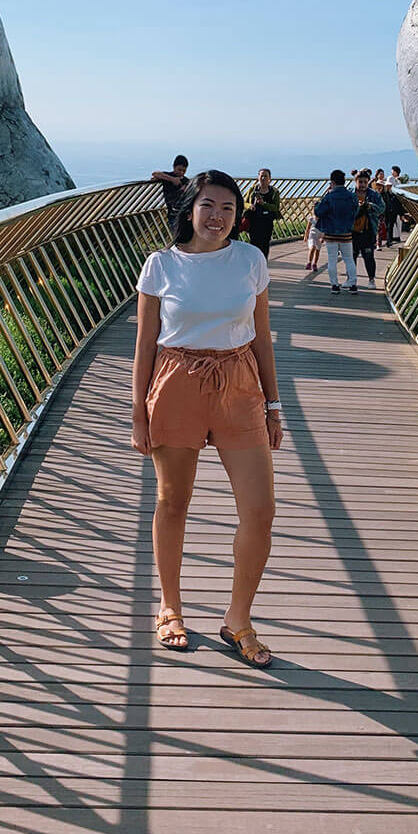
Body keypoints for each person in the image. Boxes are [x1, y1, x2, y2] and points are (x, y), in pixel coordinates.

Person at [132, 169, 282, 666]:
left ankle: (238, 618)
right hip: (176, 381)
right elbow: (145, 345)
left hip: (239, 384)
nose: (218, 217)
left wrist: (274, 404)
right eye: (208, 206)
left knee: (260, 511)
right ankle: (170, 605)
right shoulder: (161, 266)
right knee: (173, 500)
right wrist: (138, 412)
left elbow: (262, 336)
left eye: (228, 209)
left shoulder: (250, 260)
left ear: (238, 217)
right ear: (190, 209)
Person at [315, 169, 358, 293]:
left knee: (332, 259)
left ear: (332, 182)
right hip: (346, 233)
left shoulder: (329, 197)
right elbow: (356, 211)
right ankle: (353, 284)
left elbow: (318, 211)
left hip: (331, 233)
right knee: (349, 259)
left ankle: (334, 285)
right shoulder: (351, 196)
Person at [351, 169, 384, 289]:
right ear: (355, 181)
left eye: (365, 182)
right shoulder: (350, 194)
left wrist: (370, 206)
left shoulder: (374, 195)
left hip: (368, 230)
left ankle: (371, 279)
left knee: (368, 256)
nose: (363, 184)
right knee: (351, 256)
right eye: (360, 182)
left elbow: (382, 208)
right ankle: (352, 279)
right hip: (352, 231)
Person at [243, 168, 282, 258]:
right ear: (258, 177)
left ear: (269, 179)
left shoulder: (274, 192)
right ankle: (254, 262)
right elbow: (244, 203)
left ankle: (263, 262)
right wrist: (250, 206)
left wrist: (263, 204)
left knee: (265, 243)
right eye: (261, 176)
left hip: (267, 221)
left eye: (265, 176)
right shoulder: (252, 189)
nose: (263, 178)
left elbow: (276, 207)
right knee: (254, 243)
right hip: (254, 221)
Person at [151, 155, 190, 233]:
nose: (181, 172)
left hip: (184, 214)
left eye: (184, 171)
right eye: (179, 170)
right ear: (174, 167)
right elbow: (155, 173)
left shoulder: (186, 181)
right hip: (173, 214)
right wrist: (172, 179)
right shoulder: (168, 176)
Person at [304, 204, 323, 272]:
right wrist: (305, 236)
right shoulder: (311, 219)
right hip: (312, 236)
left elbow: (324, 229)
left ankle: (315, 264)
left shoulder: (322, 219)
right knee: (312, 248)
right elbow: (308, 228)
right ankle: (309, 262)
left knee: (317, 250)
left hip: (319, 237)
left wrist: (323, 237)